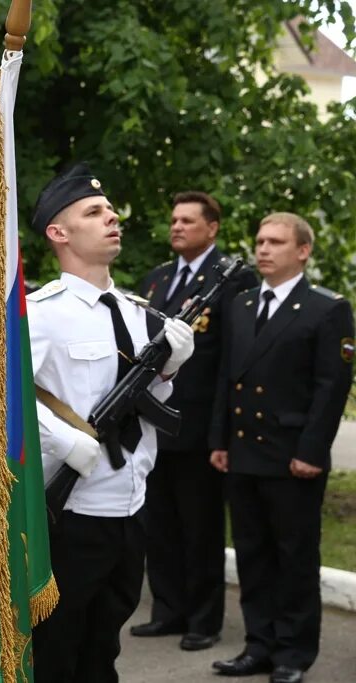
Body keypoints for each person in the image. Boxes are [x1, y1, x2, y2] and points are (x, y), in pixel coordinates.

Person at [25, 164, 195, 683]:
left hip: (130, 505)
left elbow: (151, 400)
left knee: (104, 649)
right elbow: (2, 399)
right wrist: (64, 440)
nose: (111, 217)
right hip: (69, 513)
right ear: (59, 232)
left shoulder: (139, 311)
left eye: (111, 210)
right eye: (93, 212)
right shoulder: (40, 313)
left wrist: (167, 368)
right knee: (56, 651)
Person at [209, 213, 353, 683]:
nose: (263, 249)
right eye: (260, 241)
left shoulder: (326, 309)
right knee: (252, 553)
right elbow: (228, 379)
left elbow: (330, 388)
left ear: (303, 251)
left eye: (275, 242)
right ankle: (259, 645)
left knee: (293, 557)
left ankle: (293, 653)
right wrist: (219, 441)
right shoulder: (243, 304)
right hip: (245, 453)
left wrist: (311, 451)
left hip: (292, 456)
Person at [131, 192, 258, 651]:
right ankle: (169, 609)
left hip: (201, 423)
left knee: (200, 527)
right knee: (160, 524)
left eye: (187, 220)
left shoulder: (233, 278)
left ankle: (204, 620)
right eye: (174, 219)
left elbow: (234, 360)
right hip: (155, 424)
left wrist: (222, 430)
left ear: (212, 228)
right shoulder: (157, 280)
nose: (177, 226)